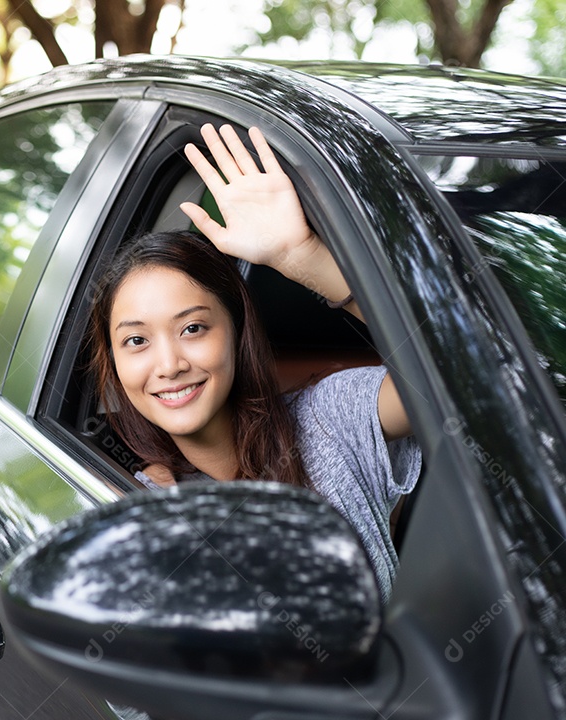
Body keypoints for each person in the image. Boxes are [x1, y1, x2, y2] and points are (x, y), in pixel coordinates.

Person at [87, 123, 422, 601]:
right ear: (115, 363)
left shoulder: (330, 419)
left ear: (237, 332)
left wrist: (304, 258)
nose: (168, 364)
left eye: (192, 328)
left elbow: (466, 377)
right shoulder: (138, 507)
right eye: (136, 341)